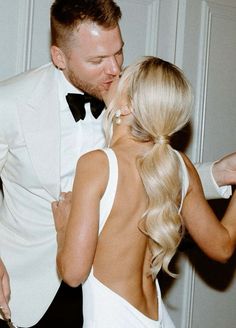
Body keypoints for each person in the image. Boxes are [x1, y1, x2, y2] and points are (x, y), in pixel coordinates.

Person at [0, 0, 235, 327]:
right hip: (29, 291)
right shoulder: (9, 101)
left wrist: (216, 175)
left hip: (103, 292)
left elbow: (147, 166)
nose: (114, 69)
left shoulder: (127, 99)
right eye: (98, 60)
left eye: (119, 53)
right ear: (60, 57)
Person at [52, 56, 236, 328]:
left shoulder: (97, 164)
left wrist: (63, 229)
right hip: (157, 318)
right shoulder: (179, 166)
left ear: (127, 105)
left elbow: (73, 274)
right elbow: (223, 247)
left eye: (121, 77)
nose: (112, 75)